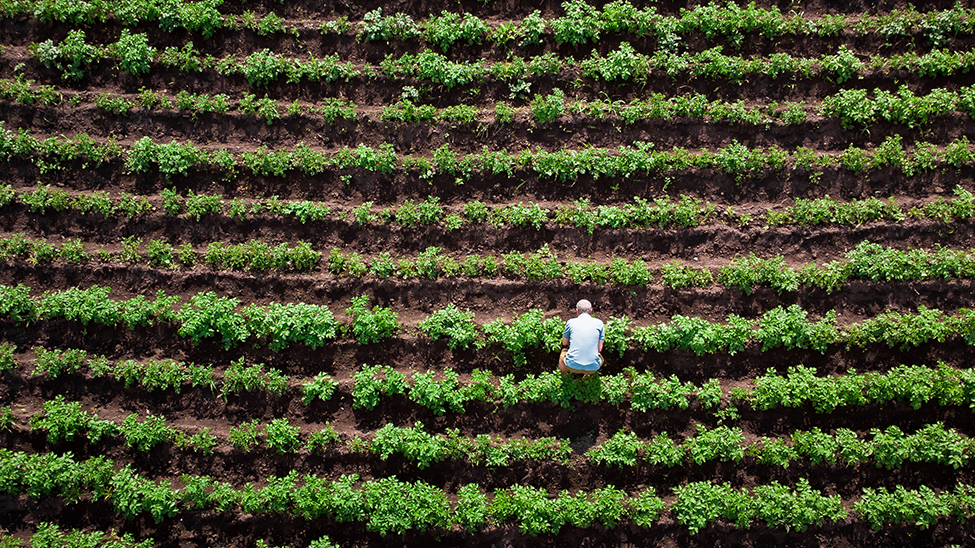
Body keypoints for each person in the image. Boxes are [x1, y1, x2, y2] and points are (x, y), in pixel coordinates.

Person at [559, 299, 604, 376]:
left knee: (563, 351)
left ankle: (564, 375)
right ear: (591, 311)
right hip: (592, 367)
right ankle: (586, 378)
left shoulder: (571, 322)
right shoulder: (599, 323)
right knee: (598, 357)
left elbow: (564, 343)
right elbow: (599, 349)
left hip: (571, 365)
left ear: (577, 311)